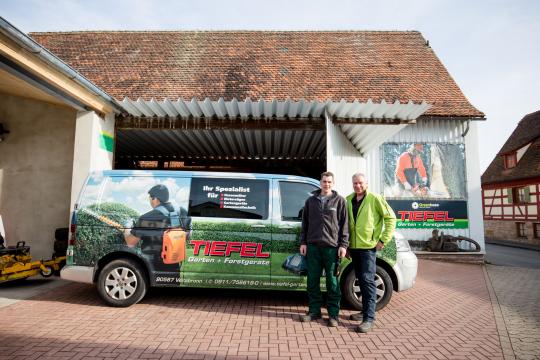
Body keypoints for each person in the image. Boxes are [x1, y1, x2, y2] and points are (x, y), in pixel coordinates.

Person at [346, 173, 396, 333]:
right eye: (355, 183)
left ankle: (369, 318)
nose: (358, 186)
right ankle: (364, 312)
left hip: (368, 247)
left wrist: (383, 240)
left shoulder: (375, 199)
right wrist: (346, 245)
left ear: (366, 183)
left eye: (360, 183)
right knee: (361, 279)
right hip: (353, 247)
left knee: (368, 280)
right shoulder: (348, 199)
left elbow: (391, 218)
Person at [299, 171, 348, 327]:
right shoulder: (310, 201)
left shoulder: (339, 201)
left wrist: (343, 245)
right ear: (320, 182)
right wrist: (303, 242)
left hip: (332, 248)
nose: (326, 184)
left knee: (332, 282)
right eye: (324, 181)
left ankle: (333, 315)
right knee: (312, 281)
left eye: (329, 182)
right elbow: (304, 224)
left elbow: (344, 225)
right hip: (313, 247)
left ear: (333, 183)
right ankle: (314, 311)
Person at [124, 184, 187, 272]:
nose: (149, 201)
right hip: (174, 264)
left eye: (150, 198)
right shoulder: (182, 212)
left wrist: (127, 228)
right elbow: (187, 235)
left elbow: (131, 242)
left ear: (155, 199)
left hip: (151, 267)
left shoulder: (146, 218)